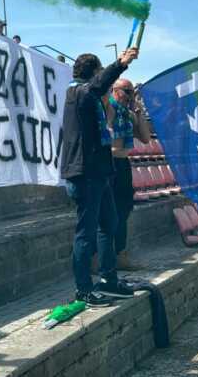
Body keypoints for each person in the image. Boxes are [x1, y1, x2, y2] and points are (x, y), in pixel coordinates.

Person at [59, 46, 140, 307]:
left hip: (99, 172)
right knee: (86, 233)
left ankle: (109, 279)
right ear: (94, 73)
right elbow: (96, 86)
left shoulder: (91, 97)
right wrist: (120, 63)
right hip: (85, 174)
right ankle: (83, 289)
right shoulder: (78, 92)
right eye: (100, 72)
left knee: (110, 223)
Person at [105, 78, 152, 270]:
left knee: (123, 211)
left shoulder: (129, 113)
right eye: (127, 91)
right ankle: (101, 257)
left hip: (122, 165)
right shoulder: (109, 108)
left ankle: (121, 254)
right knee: (107, 212)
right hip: (108, 164)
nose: (130, 95)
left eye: (132, 91)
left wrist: (139, 112)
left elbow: (146, 138)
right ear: (115, 90)